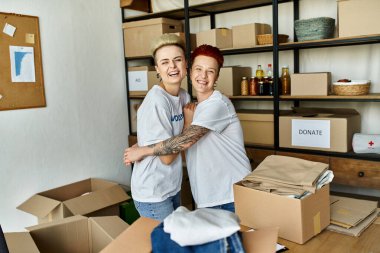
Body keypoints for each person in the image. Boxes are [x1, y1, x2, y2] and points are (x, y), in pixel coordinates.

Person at [124, 44, 251, 212]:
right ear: (190, 71)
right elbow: (171, 134)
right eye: (198, 69)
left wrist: (143, 150)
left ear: (217, 76)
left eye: (210, 71)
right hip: (211, 195)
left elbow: (184, 141)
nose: (203, 76)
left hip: (230, 194)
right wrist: (143, 140)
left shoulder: (217, 105)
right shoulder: (191, 105)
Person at [128, 33, 190, 221]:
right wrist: (188, 123)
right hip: (152, 192)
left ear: (186, 64)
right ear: (157, 69)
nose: (172, 66)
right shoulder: (156, 102)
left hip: (171, 185)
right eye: (164, 62)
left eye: (177, 60)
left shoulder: (183, 96)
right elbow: (168, 158)